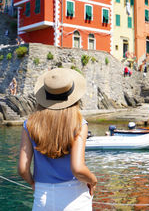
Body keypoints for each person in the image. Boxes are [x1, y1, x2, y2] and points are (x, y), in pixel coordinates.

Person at [18, 68, 97, 210]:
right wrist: (92, 180)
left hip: (43, 196)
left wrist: (33, 183)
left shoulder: (29, 124)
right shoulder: (79, 124)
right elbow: (78, 169)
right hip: (75, 197)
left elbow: (23, 169)